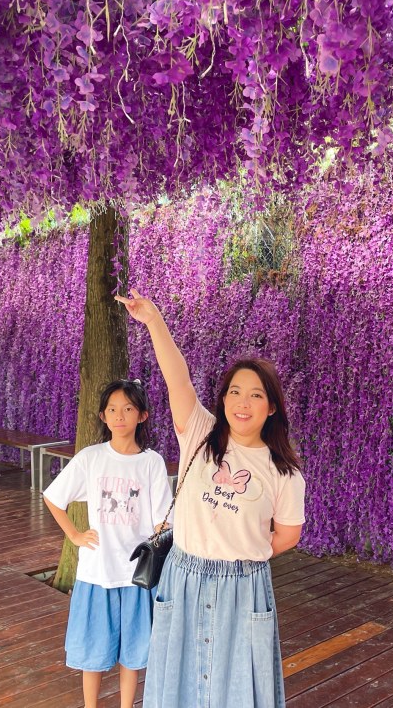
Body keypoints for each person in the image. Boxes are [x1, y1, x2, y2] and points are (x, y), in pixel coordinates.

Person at [116, 289, 306, 708]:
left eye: (256, 395)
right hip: (184, 575)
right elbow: (177, 378)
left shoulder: (283, 472)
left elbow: (288, 534)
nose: (243, 402)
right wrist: (153, 320)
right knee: (179, 688)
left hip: (244, 584)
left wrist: (241, 550)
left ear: (271, 406)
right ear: (222, 400)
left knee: (237, 689)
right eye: (235, 392)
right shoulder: (200, 433)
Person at [43, 380, 173, 708]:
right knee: (93, 650)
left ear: (142, 415)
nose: (120, 416)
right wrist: (74, 535)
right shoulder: (91, 458)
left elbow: (162, 520)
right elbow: (53, 497)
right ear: (103, 415)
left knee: (133, 651)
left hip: (136, 574)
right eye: (112, 409)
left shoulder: (151, 462)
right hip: (97, 571)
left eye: (128, 408)